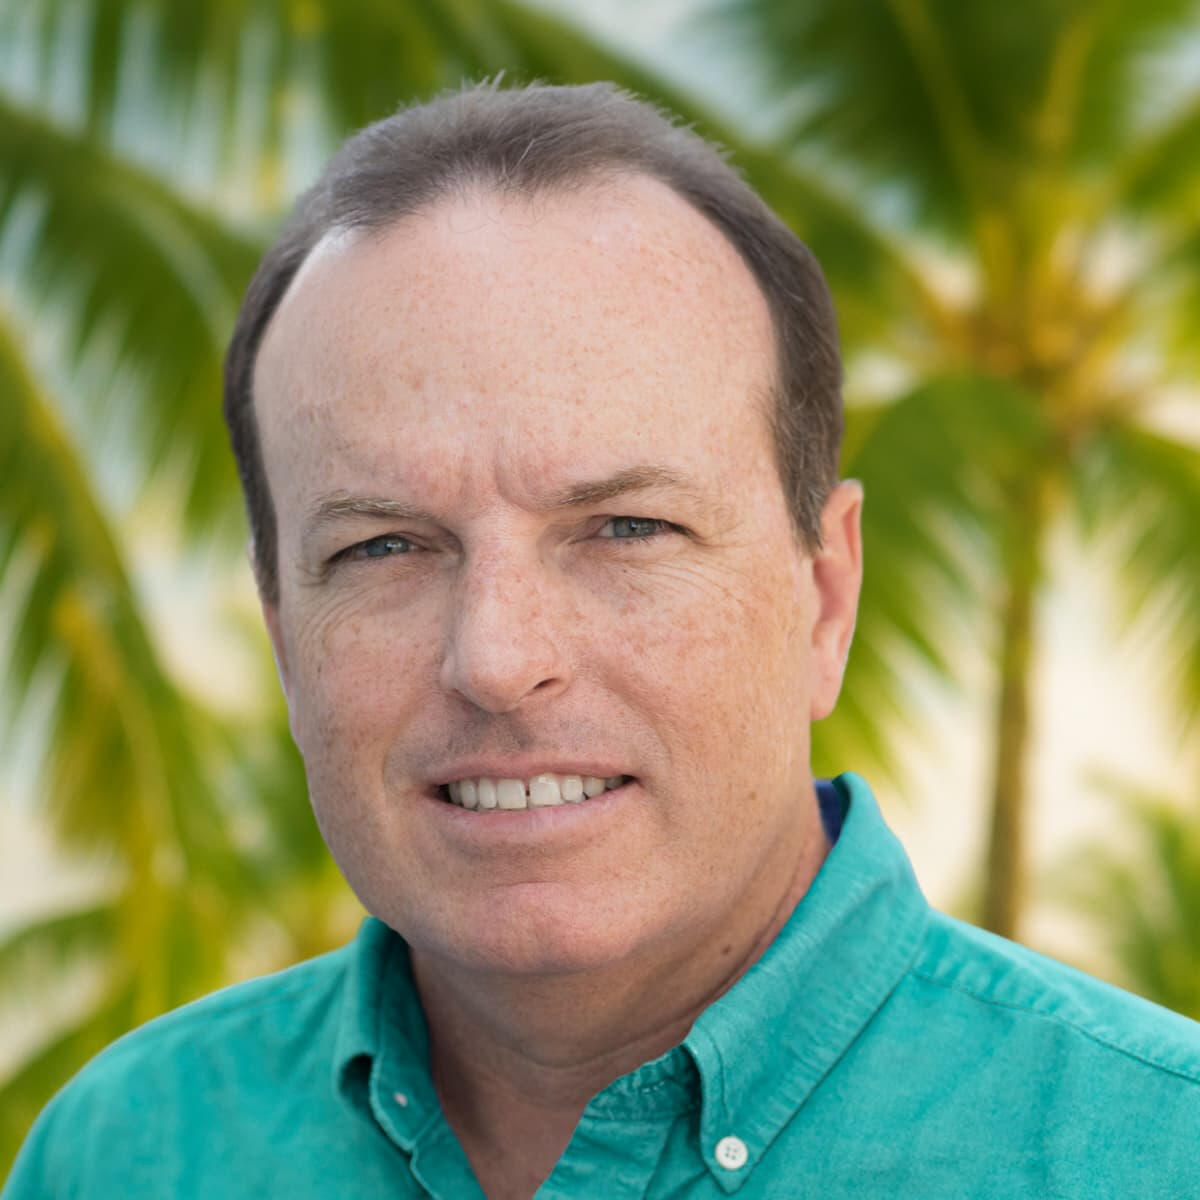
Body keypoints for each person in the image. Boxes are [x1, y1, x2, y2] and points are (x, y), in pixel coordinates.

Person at [6, 79, 1200, 1200]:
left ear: (826, 599)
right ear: (283, 636)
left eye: (626, 526)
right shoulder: (128, 1152)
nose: (495, 657)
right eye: (382, 548)